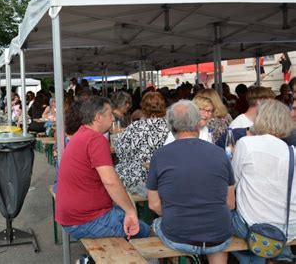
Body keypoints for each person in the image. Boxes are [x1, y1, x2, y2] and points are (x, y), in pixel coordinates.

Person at [147, 100, 235, 264]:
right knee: (216, 243)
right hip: (219, 234)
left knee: (155, 225)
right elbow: (230, 203)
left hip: (178, 235)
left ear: (171, 124)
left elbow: (153, 205)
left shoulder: (160, 155)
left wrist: (178, 216)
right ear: (197, 122)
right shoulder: (220, 153)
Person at [55, 96, 150, 240]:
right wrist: (130, 211)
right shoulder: (96, 139)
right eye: (110, 114)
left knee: (126, 216)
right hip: (85, 220)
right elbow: (110, 181)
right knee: (144, 231)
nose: (112, 119)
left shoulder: (81, 134)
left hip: (75, 215)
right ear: (98, 117)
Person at [231, 100, 296, 263]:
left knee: (224, 215)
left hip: (251, 227)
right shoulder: (293, 152)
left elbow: (234, 182)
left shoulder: (246, 144)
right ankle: (282, 255)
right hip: (289, 227)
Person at [115, 92, 169, 196]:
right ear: (163, 107)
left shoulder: (134, 127)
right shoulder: (171, 128)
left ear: (143, 108)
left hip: (136, 179)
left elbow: (120, 151)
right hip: (163, 178)